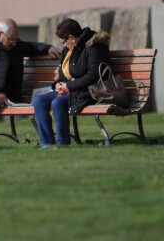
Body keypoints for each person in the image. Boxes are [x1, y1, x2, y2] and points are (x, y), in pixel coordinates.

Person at [33, 18, 110, 146]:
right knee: (39, 101)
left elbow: (94, 75)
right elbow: (63, 74)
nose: (63, 45)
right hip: (72, 91)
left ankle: (63, 144)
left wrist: (68, 86)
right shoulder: (68, 49)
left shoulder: (95, 46)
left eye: (63, 42)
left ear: (71, 38)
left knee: (57, 103)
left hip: (91, 92)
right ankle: (46, 144)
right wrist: (57, 84)